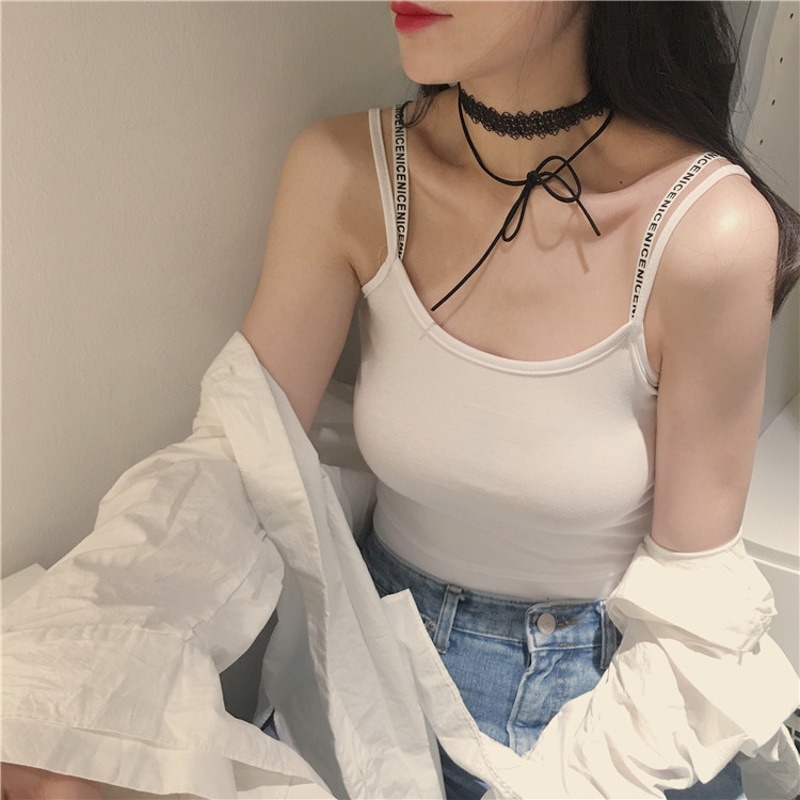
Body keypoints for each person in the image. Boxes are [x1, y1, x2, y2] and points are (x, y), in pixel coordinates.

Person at [3, 2, 799, 798]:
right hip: (372, 680)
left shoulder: (709, 231)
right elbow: (240, 459)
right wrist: (64, 689)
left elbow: (692, 607)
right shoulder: (348, 172)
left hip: (607, 716)